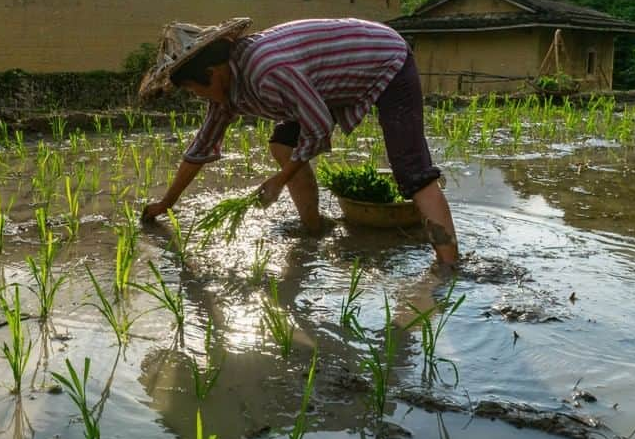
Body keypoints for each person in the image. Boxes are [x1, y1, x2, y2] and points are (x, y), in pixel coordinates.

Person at [139, 17, 458, 266]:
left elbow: (318, 126)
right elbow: (200, 148)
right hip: (328, 83)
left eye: (197, 90)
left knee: (412, 172)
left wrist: (280, 179)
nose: (200, 97)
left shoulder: (267, 70)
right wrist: (166, 204)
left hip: (385, 59)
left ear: (213, 72)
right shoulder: (228, 88)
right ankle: (315, 227)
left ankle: (449, 268)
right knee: (282, 145)